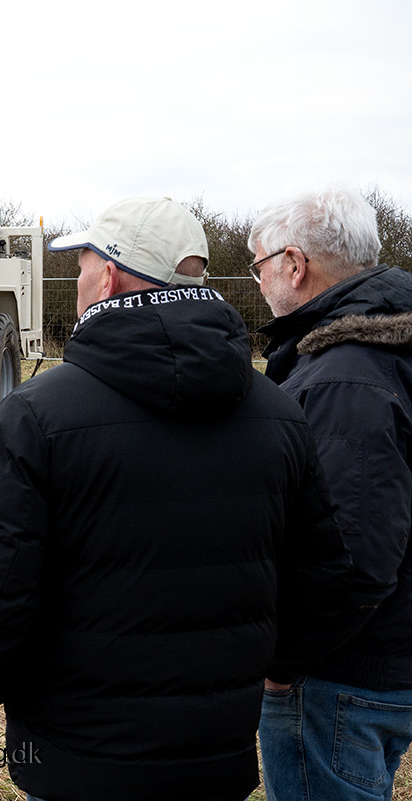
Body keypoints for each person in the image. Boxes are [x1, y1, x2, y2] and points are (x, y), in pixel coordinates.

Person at [0, 197, 355, 801]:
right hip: (216, 762)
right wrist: (275, 670)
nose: (78, 279)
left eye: (82, 265)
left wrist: (9, 688)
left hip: (74, 762)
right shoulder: (279, 412)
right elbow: (323, 582)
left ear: (108, 277)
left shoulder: (35, 415)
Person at [252, 188, 412, 801]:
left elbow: (354, 558)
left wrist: (284, 662)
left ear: (295, 265)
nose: (259, 282)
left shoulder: (345, 378)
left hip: (341, 675)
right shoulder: (386, 349)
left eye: (260, 266)